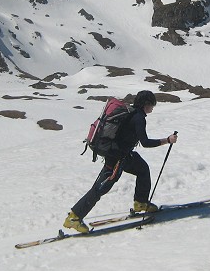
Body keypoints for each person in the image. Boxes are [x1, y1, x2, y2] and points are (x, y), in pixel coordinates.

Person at [63, 90, 178, 233]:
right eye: (152, 105)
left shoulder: (132, 113)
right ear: (146, 104)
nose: (153, 108)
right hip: (117, 157)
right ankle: (74, 217)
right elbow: (145, 142)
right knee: (101, 188)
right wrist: (167, 140)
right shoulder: (139, 118)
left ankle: (141, 203)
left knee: (142, 168)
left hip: (123, 154)